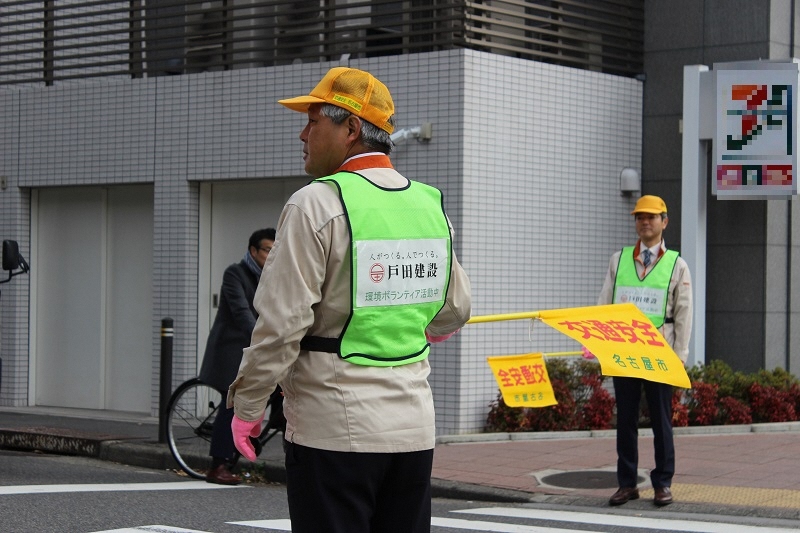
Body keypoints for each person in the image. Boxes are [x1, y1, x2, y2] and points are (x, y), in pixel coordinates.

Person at [227, 67, 472, 532]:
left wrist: (248, 405)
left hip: (333, 431)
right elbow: (454, 309)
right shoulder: (428, 204)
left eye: (313, 120)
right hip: (413, 431)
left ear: (351, 129)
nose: (303, 133)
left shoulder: (315, 203)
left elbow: (281, 326)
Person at [593, 195, 692, 507]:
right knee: (626, 422)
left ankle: (662, 483)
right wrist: (600, 348)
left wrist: (680, 357)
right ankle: (627, 483)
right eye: (639, 217)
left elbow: (684, 313)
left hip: (661, 356)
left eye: (651, 217)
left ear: (665, 221)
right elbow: (603, 307)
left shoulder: (677, 264)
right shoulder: (618, 260)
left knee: (662, 422)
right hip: (624, 354)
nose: (644, 222)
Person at [198, 227, 275, 485]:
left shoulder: (273, 276)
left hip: (256, 351)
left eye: (276, 250)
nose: (271, 255)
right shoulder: (236, 273)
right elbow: (243, 313)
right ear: (253, 251)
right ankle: (217, 465)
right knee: (232, 403)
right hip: (231, 349)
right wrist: (265, 339)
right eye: (267, 250)